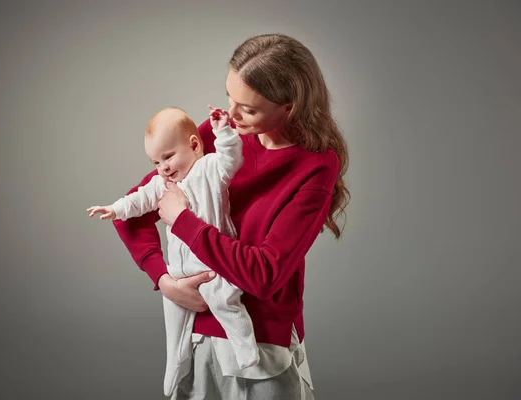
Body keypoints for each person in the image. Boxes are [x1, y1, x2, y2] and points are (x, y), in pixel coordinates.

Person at [114, 33, 350, 400]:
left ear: (289, 106)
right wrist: (164, 281)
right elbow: (132, 209)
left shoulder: (315, 166)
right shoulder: (217, 132)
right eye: (230, 98)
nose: (232, 115)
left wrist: (183, 222)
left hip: (263, 348)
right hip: (196, 339)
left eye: (249, 109)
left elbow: (264, 274)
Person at [87, 106, 260, 396]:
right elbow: (138, 201)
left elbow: (233, 159)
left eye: (168, 157)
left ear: (194, 145)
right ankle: (175, 362)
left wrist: (222, 131)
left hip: (213, 264)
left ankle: (245, 350)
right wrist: (114, 208)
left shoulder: (209, 168)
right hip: (179, 270)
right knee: (174, 316)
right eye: (156, 161)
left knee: (225, 302)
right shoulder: (162, 183)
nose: (163, 167)